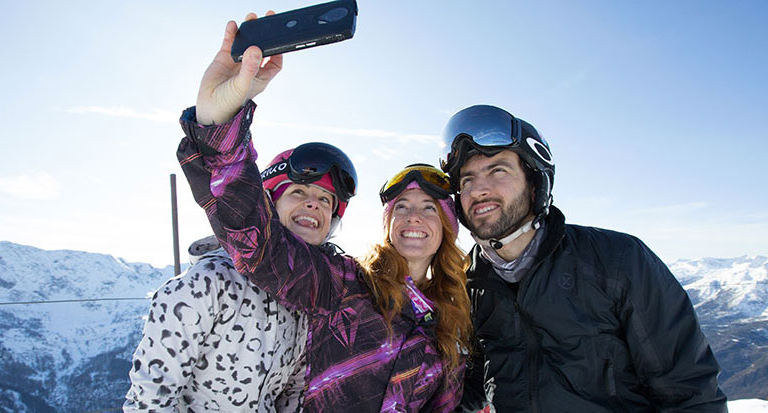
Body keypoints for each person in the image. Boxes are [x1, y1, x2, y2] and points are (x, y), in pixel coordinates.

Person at [174, 13, 472, 411]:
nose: (413, 217)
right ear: (388, 225)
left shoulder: (451, 321)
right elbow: (257, 243)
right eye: (401, 207)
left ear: (447, 228)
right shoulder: (344, 284)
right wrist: (219, 122)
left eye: (429, 209)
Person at [440, 104, 728, 412]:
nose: (479, 189)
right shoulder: (467, 283)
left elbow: (690, 394)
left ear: (534, 182)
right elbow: (468, 388)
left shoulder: (617, 262)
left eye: (498, 171)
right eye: (467, 179)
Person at [123, 141, 356, 412]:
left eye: (325, 199)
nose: (312, 204)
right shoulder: (209, 283)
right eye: (298, 191)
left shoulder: (310, 301)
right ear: (269, 204)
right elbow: (150, 400)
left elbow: (293, 396)